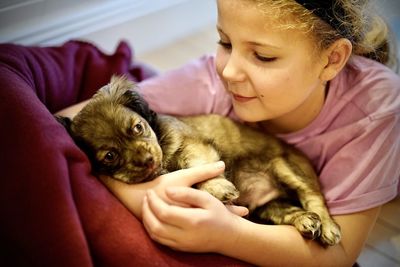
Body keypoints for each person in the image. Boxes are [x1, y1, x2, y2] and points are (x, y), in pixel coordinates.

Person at [57, 0, 400, 266]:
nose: (230, 70)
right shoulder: (209, 78)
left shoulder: (377, 107)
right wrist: (140, 193)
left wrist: (229, 236)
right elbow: (66, 123)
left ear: (331, 59)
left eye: (263, 56)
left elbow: (338, 254)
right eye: (224, 42)